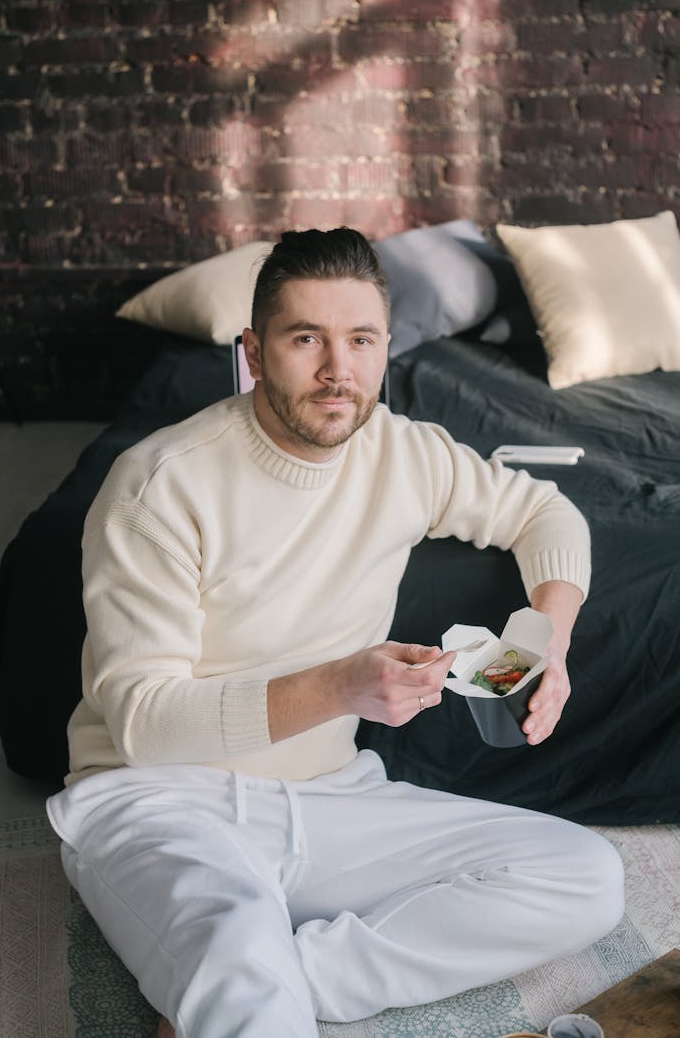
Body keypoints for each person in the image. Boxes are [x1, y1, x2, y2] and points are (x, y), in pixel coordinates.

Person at [47, 227, 624, 1038]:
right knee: (238, 957)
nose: (337, 371)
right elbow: (143, 726)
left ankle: (289, 980)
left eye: (360, 340)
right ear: (253, 350)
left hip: (328, 794)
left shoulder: (405, 453)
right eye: (305, 339)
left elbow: (543, 509)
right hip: (157, 801)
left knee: (587, 877)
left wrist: (550, 639)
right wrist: (341, 686)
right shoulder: (160, 483)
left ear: (388, 347)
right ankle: (245, 985)